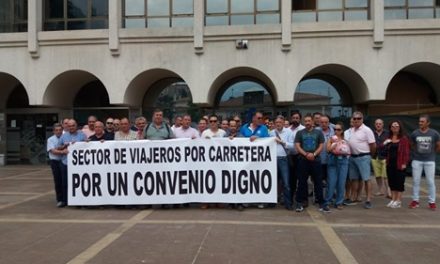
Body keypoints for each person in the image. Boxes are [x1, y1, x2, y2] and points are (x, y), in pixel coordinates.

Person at [294, 114, 325, 212]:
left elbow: (321, 145)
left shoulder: (318, 133)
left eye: (309, 121)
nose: (307, 123)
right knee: (302, 182)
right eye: (305, 121)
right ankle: (301, 202)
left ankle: (321, 202)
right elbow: (297, 145)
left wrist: (314, 154)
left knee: (318, 182)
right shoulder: (299, 133)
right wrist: (306, 154)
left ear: (312, 122)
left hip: (316, 160)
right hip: (303, 160)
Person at [409, 114, 440, 211]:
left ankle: (432, 202)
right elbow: (411, 145)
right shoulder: (415, 133)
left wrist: (432, 153)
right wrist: (416, 153)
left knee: (430, 182)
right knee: (415, 181)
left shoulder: (434, 133)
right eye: (419, 121)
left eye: (422, 121)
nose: (420, 123)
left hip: (430, 161)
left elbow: (438, 145)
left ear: (428, 123)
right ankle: (415, 200)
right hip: (417, 160)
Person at [347, 112, 376, 209]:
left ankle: (368, 200)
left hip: (363, 157)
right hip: (352, 157)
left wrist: (369, 156)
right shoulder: (351, 130)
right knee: (354, 179)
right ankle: (354, 197)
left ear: (362, 119)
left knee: (366, 179)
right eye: (354, 118)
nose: (356, 120)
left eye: (358, 118)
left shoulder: (367, 130)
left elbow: (373, 145)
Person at [58, 119, 87, 207]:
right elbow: (59, 147)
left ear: (76, 126)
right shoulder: (64, 136)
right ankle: (65, 201)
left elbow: (87, 146)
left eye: (73, 125)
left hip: (78, 164)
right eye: (69, 126)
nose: (71, 127)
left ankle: (78, 201)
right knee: (65, 183)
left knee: (79, 183)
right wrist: (65, 146)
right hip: (66, 163)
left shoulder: (82, 135)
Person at [383, 120, 410, 209]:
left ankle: (398, 201)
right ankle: (393, 199)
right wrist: (384, 144)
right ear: (390, 128)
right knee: (392, 182)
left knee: (399, 182)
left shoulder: (404, 139)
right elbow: (383, 149)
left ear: (400, 128)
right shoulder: (388, 138)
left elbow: (406, 152)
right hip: (390, 163)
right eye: (393, 126)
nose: (395, 128)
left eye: (397, 126)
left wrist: (404, 163)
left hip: (400, 164)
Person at [324, 122, 350, 211]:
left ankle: (339, 202)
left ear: (342, 131)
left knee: (341, 183)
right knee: (331, 183)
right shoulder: (331, 139)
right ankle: (327, 202)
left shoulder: (345, 140)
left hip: (343, 161)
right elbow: (327, 150)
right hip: (333, 161)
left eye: (338, 130)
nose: (336, 131)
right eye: (335, 129)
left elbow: (349, 151)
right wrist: (333, 145)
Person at [270, 115, 294, 210]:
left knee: (286, 183)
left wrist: (282, 142)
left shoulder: (289, 132)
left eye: (280, 122)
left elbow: (293, 146)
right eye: (276, 123)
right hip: (272, 160)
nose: (278, 124)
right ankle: (272, 202)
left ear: (283, 123)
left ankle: (288, 203)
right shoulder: (271, 133)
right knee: (272, 182)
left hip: (284, 159)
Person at [288, 111, 305, 200]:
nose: (295, 119)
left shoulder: (303, 129)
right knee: (291, 179)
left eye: (297, 118)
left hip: (300, 156)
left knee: (301, 179)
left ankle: (301, 199)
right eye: (293, 118)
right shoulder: (287, 129)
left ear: (300, 119)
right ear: (291, 119)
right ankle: (290, 198)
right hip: (290, 157)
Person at [372, 119, 391, 198]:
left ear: (383, 124)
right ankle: (380, 190)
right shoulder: (372, 133)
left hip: (385, 157)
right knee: (378, 175)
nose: (378, 125)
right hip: (375, 156)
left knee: (385, 176)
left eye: (380, 124)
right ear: (375, 125)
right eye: (377, 124)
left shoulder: (388, 133)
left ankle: (388, 192)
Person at [47, 123, 64, 207]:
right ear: (53, 131)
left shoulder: (65, 137)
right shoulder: (50, 139)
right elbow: (53, 151)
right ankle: (60, 199)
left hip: (63, 162)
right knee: (58, 181)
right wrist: (62, 152)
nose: (58, 132)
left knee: (65, 181)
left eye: (60, 130)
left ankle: (66, 199)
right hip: (55, 162)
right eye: (56, 130)